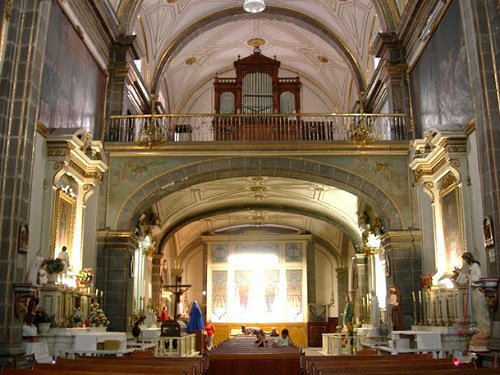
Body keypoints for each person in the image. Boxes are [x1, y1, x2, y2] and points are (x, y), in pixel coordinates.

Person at [453, 251, 491, 346]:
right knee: (477, 312)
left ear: (468, 258)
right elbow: (468, 279)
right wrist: (459, 274)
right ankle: (481, 329)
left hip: (479, 291)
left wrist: (463, 275)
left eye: (465, 259)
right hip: (474, 292)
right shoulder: (471, 267)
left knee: (481, 311)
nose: (465, 261)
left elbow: (477, 278)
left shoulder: (475, 266)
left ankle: (486, 330)